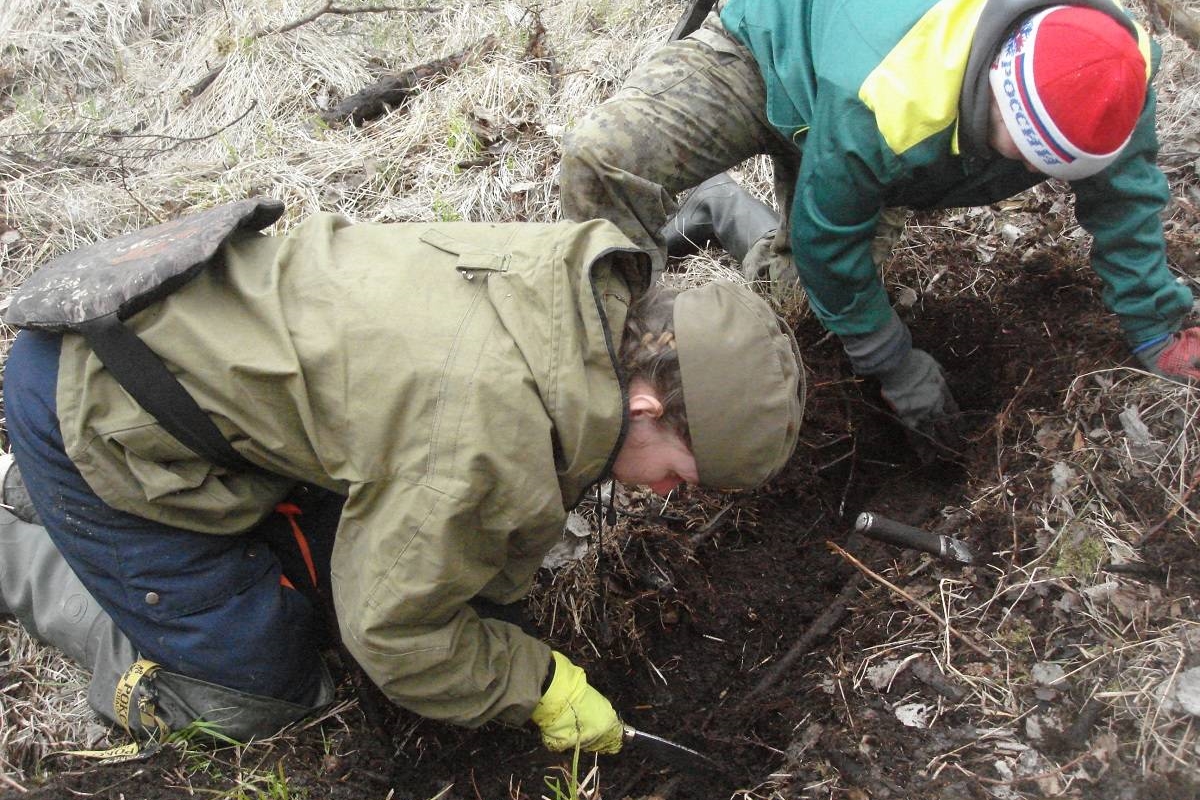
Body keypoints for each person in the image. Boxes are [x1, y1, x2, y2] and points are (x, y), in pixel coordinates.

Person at [0, 208, 805, 753]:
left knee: (335, 577)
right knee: (257, 699)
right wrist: (536, 682)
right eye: (683, 476)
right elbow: (390, 634)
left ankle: (80, 518)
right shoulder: (487, 429)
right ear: (645, 401)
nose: (670, 497)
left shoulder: (573, 307)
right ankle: (27, 528)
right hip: (95, 399)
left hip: (189, 354)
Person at [560, 0, 1200, 452]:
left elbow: (1124, 198)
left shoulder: (1110, 68)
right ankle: (622, 371)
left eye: (1047, 167)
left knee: (800, 316)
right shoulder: (897, 95)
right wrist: (895, 364)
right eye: (1018, 146)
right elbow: (828, 242)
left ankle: (719, 207)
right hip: (769, 51)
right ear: (997, 77)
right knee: (605, 157)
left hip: (867, 139)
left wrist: (1155, 324)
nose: (1025, 170)